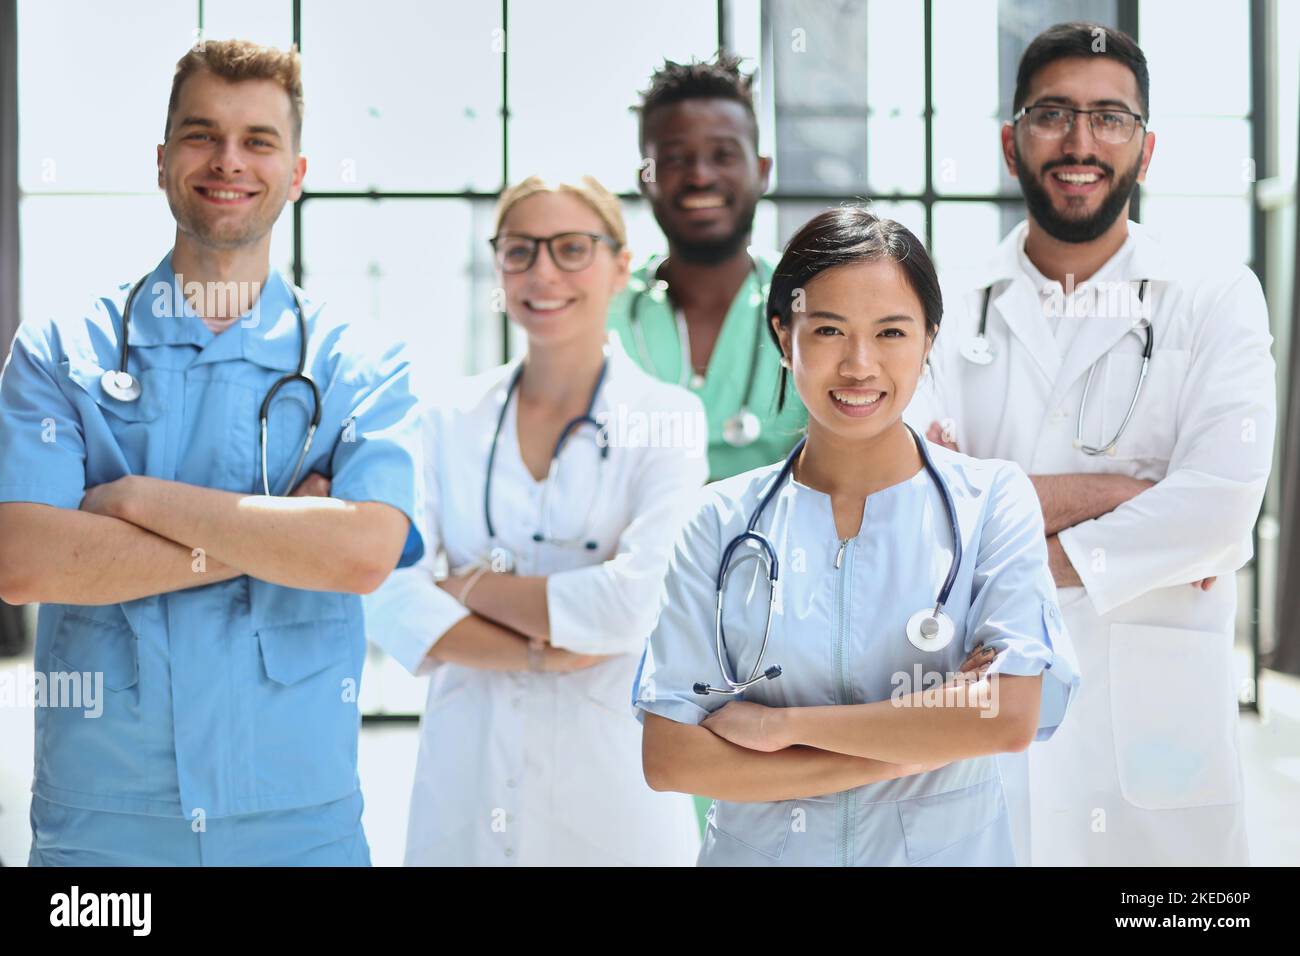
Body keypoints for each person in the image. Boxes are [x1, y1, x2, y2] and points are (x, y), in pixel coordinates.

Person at [0, 39, 424, 866]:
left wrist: (132, 503)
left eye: (259, 140)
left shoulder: (358, 361)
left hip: (298, 829)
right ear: (162, 162)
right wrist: (280, 539)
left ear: (296, 172)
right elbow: (22, 561)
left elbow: (364, 553)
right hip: (105, 834)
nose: (228, 160)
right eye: (201, 135)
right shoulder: (61, 350)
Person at [906, 22, 1275, 866]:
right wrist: (1124, 498)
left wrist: (998, 541)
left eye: (1111, 118)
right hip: (978, 734)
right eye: (1053, 115)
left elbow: (1218, 514)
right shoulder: (941, 307)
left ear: (1147, 151)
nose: (1081, 142)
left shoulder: (1215, 297)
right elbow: (915, 507)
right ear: (1010, 142)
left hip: (1153, 755)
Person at [634, 207, 1080, 866]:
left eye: (892, 331)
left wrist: (779, 726)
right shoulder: (719, 522)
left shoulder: (991, 501)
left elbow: (1009, 714)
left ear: (930, 338)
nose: (859, 365)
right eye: (828, 330)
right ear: (785, 335)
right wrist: (926, 732)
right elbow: (671, 758)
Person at [364, 175, 705, 866]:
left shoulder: (668, 418)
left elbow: (633, 602)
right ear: (498, 266)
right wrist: (533, 651)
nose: (543, 272)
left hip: (612, 795)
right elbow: (386, 586)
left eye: (572, 248)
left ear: (620, 266)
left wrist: (463, 588)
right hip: (466, 784)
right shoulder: (444, 419)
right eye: (520, 250)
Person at [607, 52, 806, 481]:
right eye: (676, 158)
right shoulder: (606, 311)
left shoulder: (810, 302)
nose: (700, 176)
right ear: (646, 177)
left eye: (723, 154)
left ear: (762, 170)